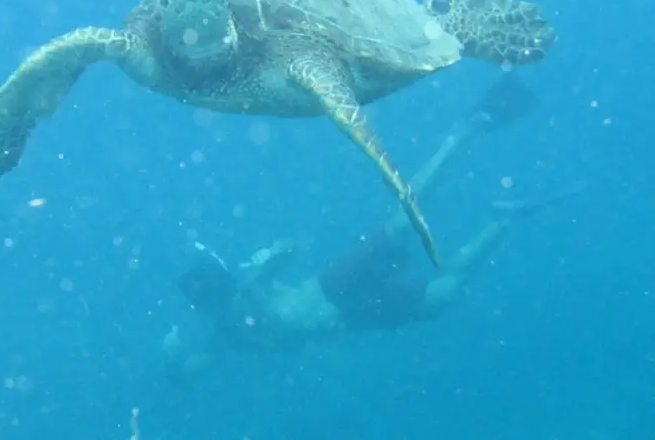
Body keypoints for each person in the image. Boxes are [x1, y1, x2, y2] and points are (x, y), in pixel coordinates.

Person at [162, 73, 577, 384]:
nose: (215, 301)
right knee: (442, 296)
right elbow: (190, 368)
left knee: (401, 224)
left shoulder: (250, 286)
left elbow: (293, 247)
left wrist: (266, 257)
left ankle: (461, 134)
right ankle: (501, 218)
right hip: (353, 316)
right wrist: (173, 359)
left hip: (333, 286)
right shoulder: (226, 332)